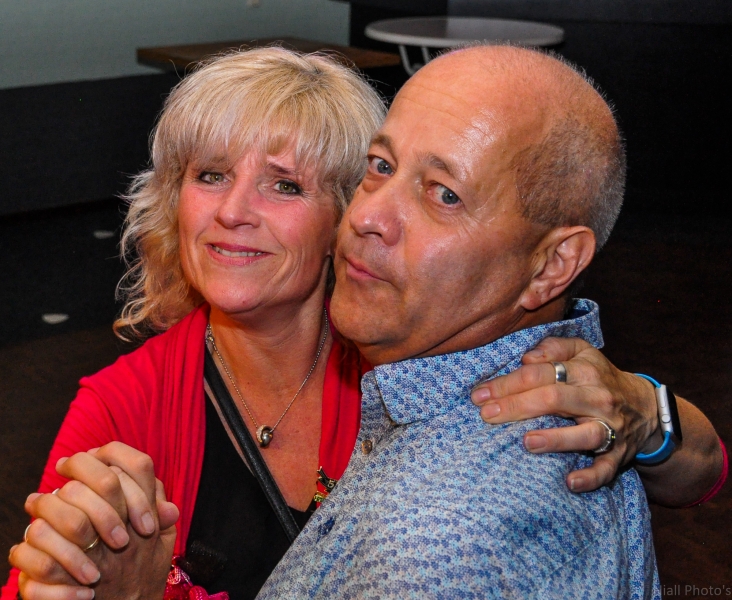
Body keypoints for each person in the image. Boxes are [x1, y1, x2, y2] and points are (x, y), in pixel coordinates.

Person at [5, 46, 725, 600]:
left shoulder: (410, 353)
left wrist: (649, 409)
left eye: (285, 185)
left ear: (340, 217)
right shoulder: (124, 405)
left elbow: (701, 469)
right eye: (210, 175)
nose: (232, 211)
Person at [253, 45, 689, 597]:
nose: (365, 216)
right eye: (381, 166)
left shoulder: (435, 547)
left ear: (552, 265)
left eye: (444, 196)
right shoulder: (502, 403)